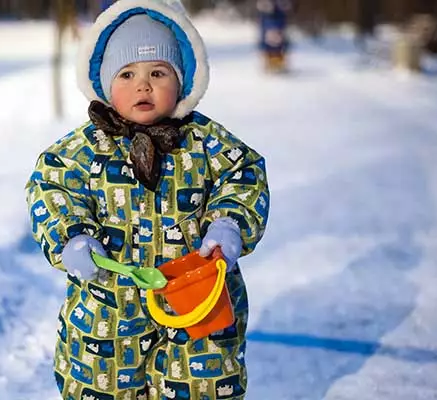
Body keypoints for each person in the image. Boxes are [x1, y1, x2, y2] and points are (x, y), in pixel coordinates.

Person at [25, 1, 269, 398]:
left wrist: (228, 223)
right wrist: (72, 236)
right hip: (109, 300)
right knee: (99, 382)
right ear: (104, 84)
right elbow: (53, 188)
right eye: (127, 74)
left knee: (202, 384)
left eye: (158, 72)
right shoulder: (81, 149)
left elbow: (242, 176)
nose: (144, 85)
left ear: (184, 79)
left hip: (196, 293)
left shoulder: (207, 142)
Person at [257, 0, 292, 73]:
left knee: (278, 43)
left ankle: (279, 63)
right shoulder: (264, 17)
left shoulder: (281, 15)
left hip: (277, 32)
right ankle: (270, 63)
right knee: (270, 42)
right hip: (269, 30)